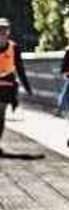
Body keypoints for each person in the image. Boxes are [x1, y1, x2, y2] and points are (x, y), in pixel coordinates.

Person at [0, 18, 32, 151]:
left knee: (0, 113)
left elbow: (20, 68)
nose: (1, 33)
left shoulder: (14, 48)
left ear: (8, 32)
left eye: (4, 30)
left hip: (7, 86)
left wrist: (27, 86)